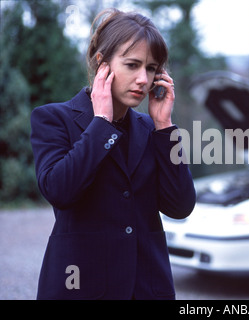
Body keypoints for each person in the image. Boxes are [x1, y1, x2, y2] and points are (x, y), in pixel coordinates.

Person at [30, 8, 196, 300]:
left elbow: (180, 206)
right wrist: (101, 124)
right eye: (132, 65)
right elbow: (59, 191)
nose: (143, 79)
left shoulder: (152, 129)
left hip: (147, 288)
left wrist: (165, 126)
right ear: (102, 64)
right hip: (80, 286)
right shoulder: (53, 119)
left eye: (151, 68)